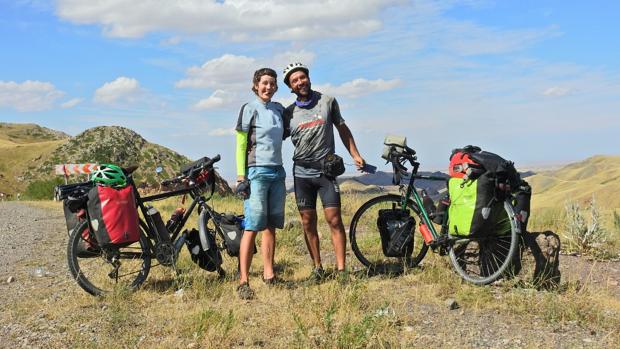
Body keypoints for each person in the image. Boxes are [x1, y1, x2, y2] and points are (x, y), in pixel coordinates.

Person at [282, 62, 366, 281]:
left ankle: (341, 270)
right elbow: (273, 137)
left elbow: (342, 129)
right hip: (301, 173)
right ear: (290, 87)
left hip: (326, 172)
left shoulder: (327, 102)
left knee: (334, 220)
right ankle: (317, 268)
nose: (300, 82)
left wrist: (355, 155)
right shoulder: (289, 113)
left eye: (302, 77)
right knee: (308, 222)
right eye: (294, 81)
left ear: (308, 78)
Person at [235, 68, 288, 300]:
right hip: (256, 172)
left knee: (271, 225)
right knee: (252, 225)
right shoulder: (249, 109)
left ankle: (269, 273)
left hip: (278, 171)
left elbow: (286, 134)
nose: (268, 87)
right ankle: (243, 280)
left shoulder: (279, 110)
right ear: (256, 85)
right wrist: (240, 176)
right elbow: (241, 143)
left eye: (272, 83)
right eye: (264, 83)